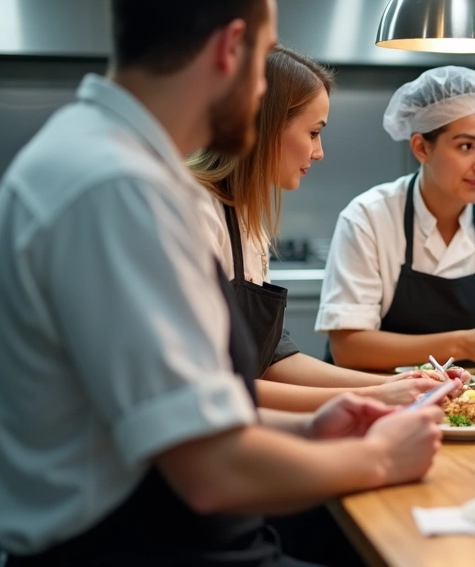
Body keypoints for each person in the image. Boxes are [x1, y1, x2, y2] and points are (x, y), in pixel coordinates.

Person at [0, 0, 446, 565]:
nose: (261, 90)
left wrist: (313, 426)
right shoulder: (118, 188)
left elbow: (187, 419)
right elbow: (212, 471)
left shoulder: (100, 158)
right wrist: (380, 456)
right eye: (263, 60)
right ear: (231, 49)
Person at [187, 45, 459, 411]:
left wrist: (397, 382)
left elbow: (272, 362)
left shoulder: (247, 222)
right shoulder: (195, 212)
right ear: (267, 127)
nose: (319, 152)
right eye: (313, 132)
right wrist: (374, 395)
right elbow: (207, 385)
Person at [317, 66, 475, 374]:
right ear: (421, 148)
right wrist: (461, 344)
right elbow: (348, 348)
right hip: (381, 399)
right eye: (466, 146)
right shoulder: (369, 217)